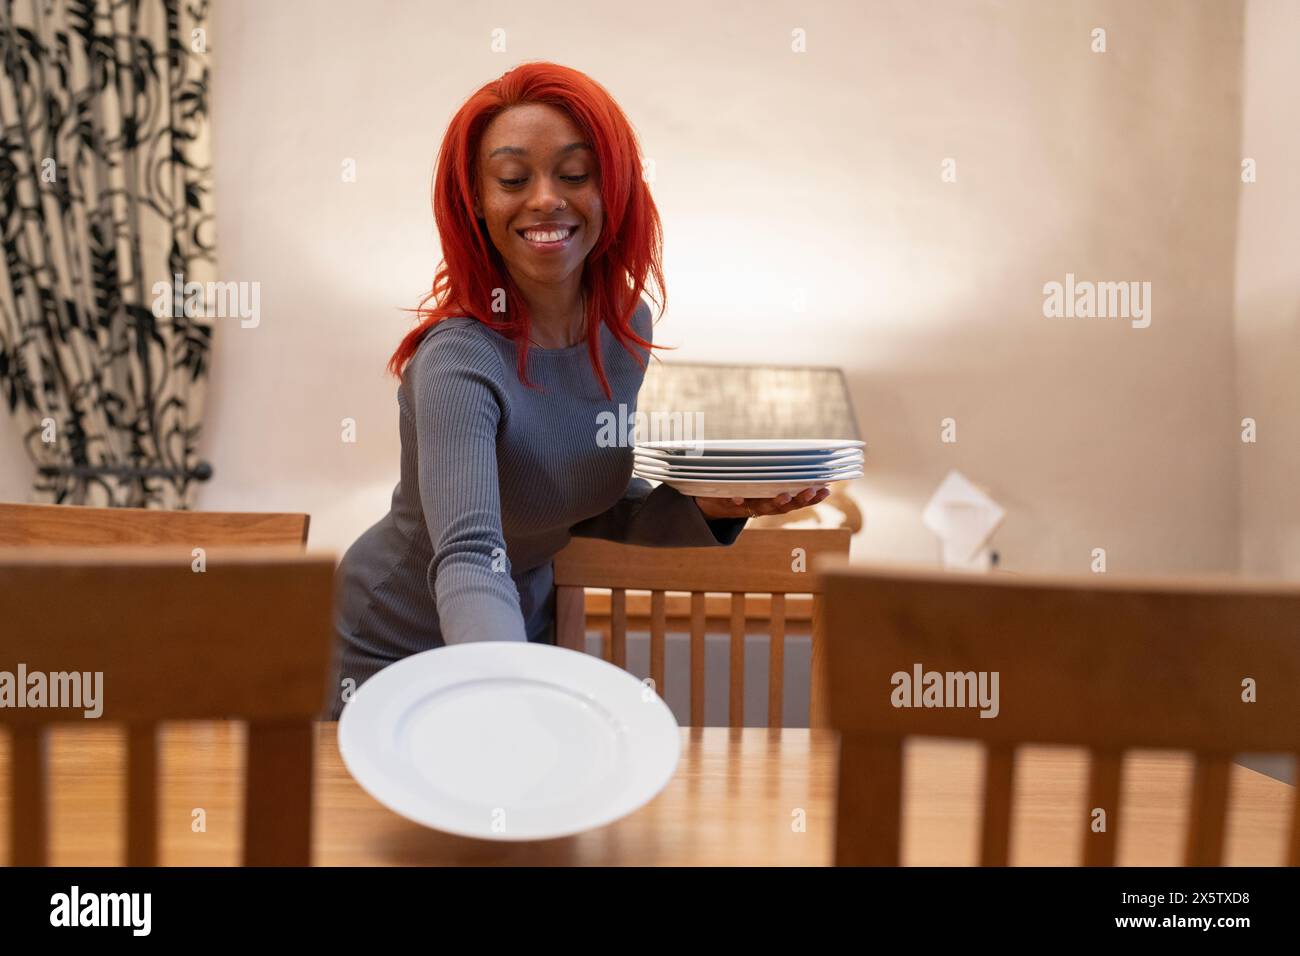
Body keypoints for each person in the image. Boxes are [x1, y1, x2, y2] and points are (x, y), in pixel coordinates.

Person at [324, 62, 826, 720]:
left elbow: (596, 506)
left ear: (610, 188)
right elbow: (474, 555)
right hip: (396, 646)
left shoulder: (622, 328)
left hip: (518, 630)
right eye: (512, 178)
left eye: (574, 174)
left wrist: (716, 504)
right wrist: (508, 692)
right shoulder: (458, 361)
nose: (544, 199)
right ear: (476, 200)